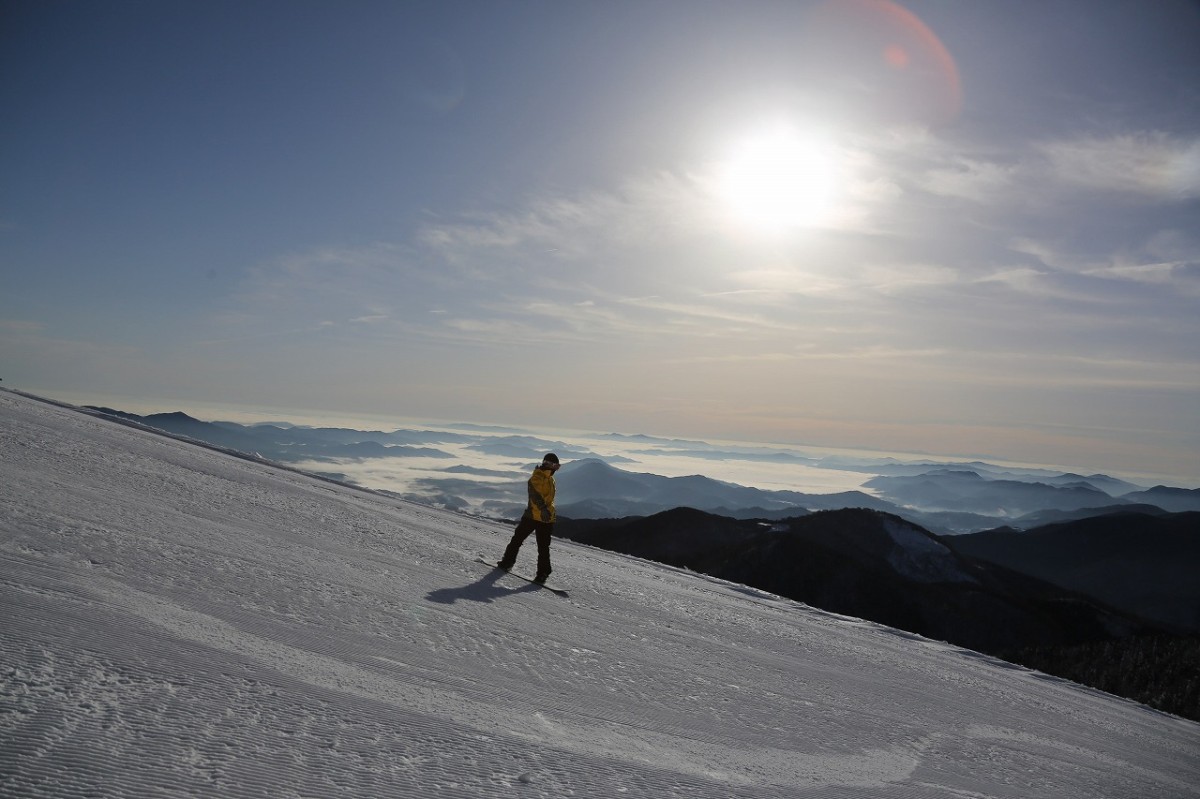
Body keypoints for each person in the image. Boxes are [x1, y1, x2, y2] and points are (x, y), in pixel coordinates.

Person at [497, 453, 560, 583]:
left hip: (546, 519)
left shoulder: (551, 479)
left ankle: (542, 573)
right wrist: (543, 510)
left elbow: (549, 500)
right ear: (549, 464)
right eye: (555, 465)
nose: (556, 469)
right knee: (518, 540)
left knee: (541, 547)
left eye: (558, 466)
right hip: (533, 516)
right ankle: (508, 562)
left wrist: (549, 513)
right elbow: (535, 495)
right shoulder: (536, 477)